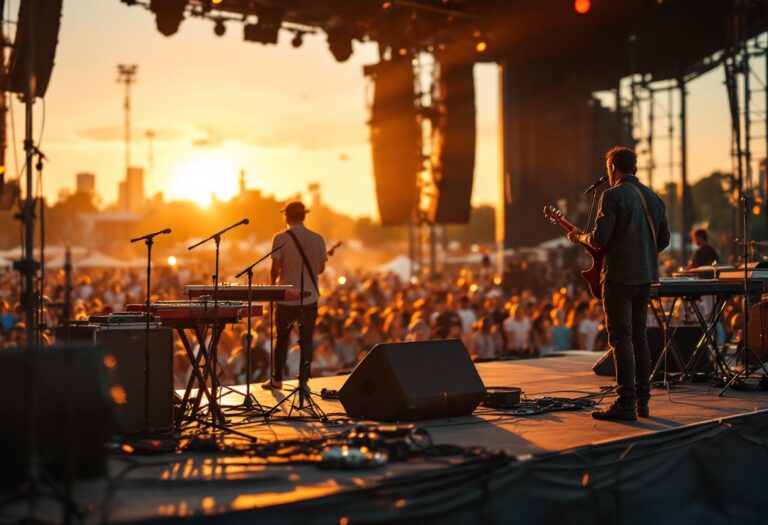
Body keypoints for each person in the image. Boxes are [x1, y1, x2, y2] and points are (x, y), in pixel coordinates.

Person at [568, 146, 670, 420]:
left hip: (619, 276)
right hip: (646, 276)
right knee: (640, 337)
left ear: (613, 166)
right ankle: (643, 402)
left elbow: (600, 238)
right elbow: (664, 241)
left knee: (621, 338)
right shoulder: (655, 198)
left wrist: (580, 238)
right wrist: (641, 253)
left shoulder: (612, 196)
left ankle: (626, 402)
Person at [262, 201, 327, 390]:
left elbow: (275, 269)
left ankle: (277, 379)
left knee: (282, 339)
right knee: (306, 339)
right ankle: (303, 380)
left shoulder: (279, 238)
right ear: (304, 216)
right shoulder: (318, 239)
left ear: (287, 217)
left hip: (286, 298)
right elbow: (321, 269)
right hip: (310, 297)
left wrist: (272, 285)